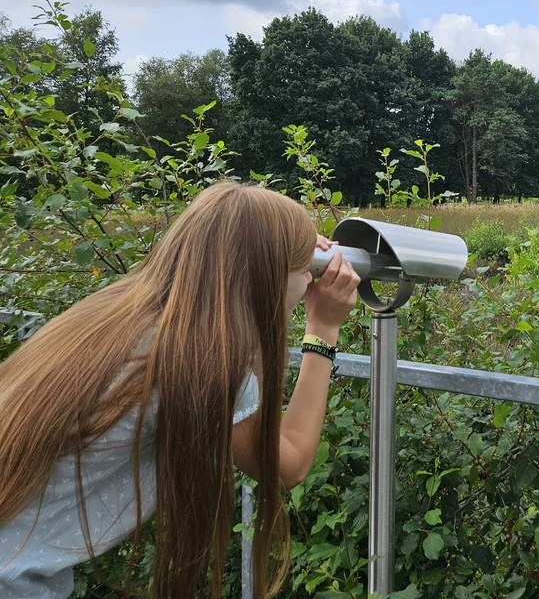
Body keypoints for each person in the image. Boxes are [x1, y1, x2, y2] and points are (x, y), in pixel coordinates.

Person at [0, 181, 361, 598]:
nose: (309, 278)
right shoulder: (200, 363)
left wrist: (287, 249)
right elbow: (286, 464)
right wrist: (323, 329)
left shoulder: (114, 316)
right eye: (305, 271)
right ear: (266, 276)